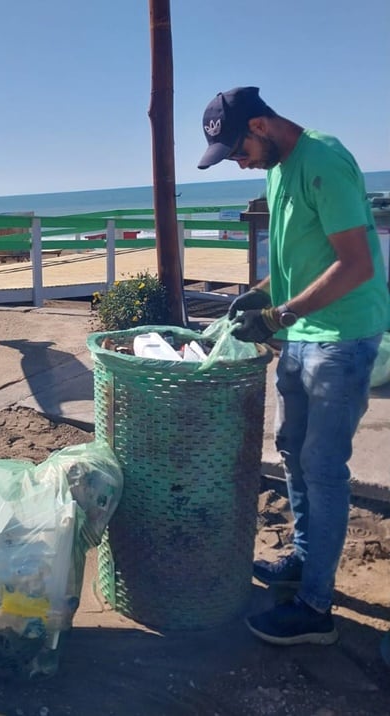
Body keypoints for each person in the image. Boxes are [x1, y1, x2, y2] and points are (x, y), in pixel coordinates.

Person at [198, 86, 389, 646]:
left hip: (343, 336)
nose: (238, 161)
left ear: (262, 124)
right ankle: (306, 560)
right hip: (301, 334)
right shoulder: (276, 170)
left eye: (238, 150)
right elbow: (296, 262)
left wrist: (278, 316)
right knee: (293, 455)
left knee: (324, 466)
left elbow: (355, 266)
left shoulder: (323, 160)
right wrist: (259, 295)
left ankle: (316, 610)